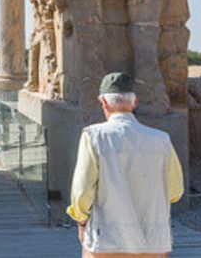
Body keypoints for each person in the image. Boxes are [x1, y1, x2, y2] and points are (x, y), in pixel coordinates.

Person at [68, 72, 184, 257]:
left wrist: (81, 221)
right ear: (135, 102)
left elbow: (82, 191)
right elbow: (176, 191)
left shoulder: (93, 136)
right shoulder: (162, 140)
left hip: (107, 240)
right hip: (153, 241)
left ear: (104, 103)